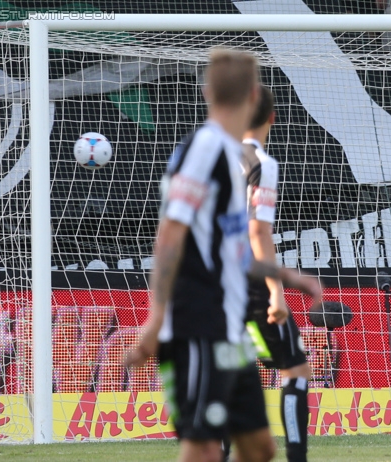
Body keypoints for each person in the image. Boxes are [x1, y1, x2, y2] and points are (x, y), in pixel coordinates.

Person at [125, 48, 322, 462]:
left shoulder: (236, 159)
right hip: (199, 322)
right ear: (254, 96)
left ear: (206, 91)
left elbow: (234, 248)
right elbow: (169, 236)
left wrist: (289, 279)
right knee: (203, 447)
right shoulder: (205, 148)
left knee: (259, 447)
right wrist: (156, 318)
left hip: (231, 327)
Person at [241, 86, 311, 462]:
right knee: (295, 369)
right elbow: (258, 230)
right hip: (248, 281)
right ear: (272, 117)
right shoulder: (260, 162)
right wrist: (276, 293)